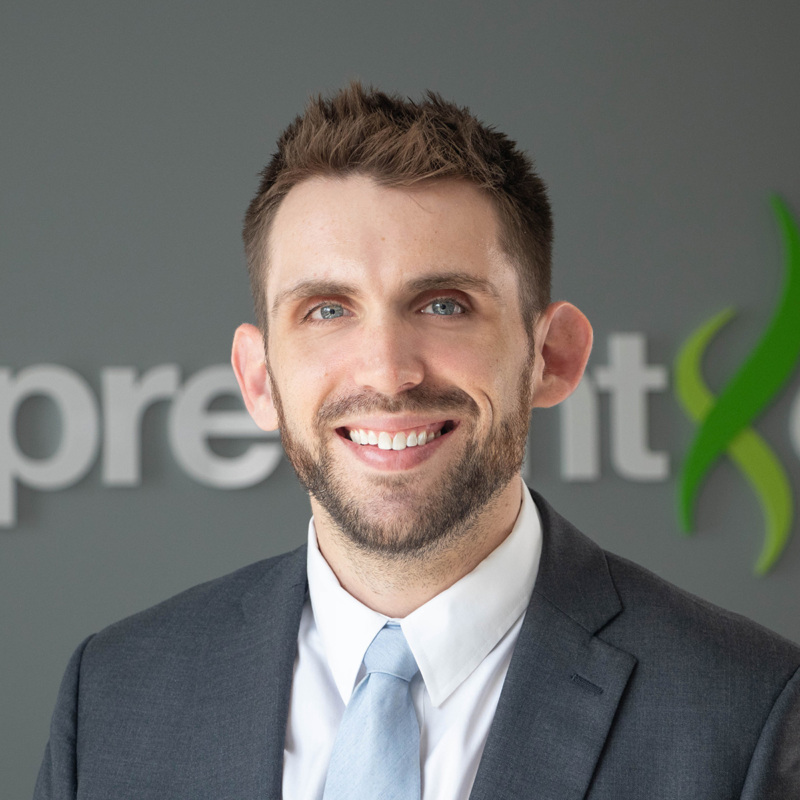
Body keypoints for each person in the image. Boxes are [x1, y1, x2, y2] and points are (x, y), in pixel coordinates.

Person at [35, 83, 799, 800]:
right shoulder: (112, 697)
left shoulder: (745, 714)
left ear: (553, 356)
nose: (388, 372)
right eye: (327, 311)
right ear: (258, 377)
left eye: (443, 304)